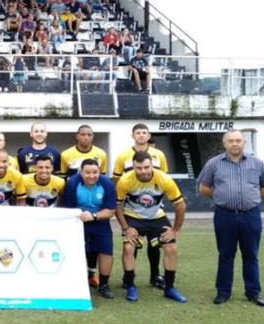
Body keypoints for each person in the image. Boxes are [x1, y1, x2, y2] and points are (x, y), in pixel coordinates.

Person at [198, 129, 264, 307]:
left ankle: (253, 293)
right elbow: (203, 187)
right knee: (225, 255)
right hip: (225, 215)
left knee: (251, 255)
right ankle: (223, 292)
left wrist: (251, 199)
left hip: (251, 215)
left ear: (243, 143)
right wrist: (222, 197)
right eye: (231, 141)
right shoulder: (214, 164)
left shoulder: (257, 163)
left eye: (238, 140)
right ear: (225, 144)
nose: (235, 144)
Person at [115, 151, 187, 303]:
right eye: (139, 168)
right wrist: (126, 228)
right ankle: (130, 285)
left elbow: (180, 205)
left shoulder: (164, 179)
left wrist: (174, 230)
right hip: (132, 217)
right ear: (133, 167)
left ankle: (170, 288)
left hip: (156, 217)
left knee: (171, 248)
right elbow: (117, 206)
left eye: (146, 167)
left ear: (152, 165)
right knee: (129, 248)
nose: (143, 171)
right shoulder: (125, 180)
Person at [113, 123, 170, 289]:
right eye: (138, 133)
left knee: (155, 243)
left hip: (154, 205)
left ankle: (155, 276)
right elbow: (117, 180)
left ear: (149, 135)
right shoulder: (123, 156)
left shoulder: (159, 155)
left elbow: (164, 178)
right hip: (132, 204)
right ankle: (129, 278)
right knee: (132, 241)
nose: (141, 135)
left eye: (144, 132)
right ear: (133, 135)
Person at [61, 159, 117, 299]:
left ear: (99, 172)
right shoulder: (72, 183)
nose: (91, 176)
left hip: (100, 220)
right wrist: (81, 215)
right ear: (81, 172)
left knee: (106, 250)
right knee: (76, 251)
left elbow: (110, 211)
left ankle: (104, 285)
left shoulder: (107, 183)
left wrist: (94, 215)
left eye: (95, 172)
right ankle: (77, 282)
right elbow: (68, 209)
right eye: (87, 172)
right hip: (78, 220)